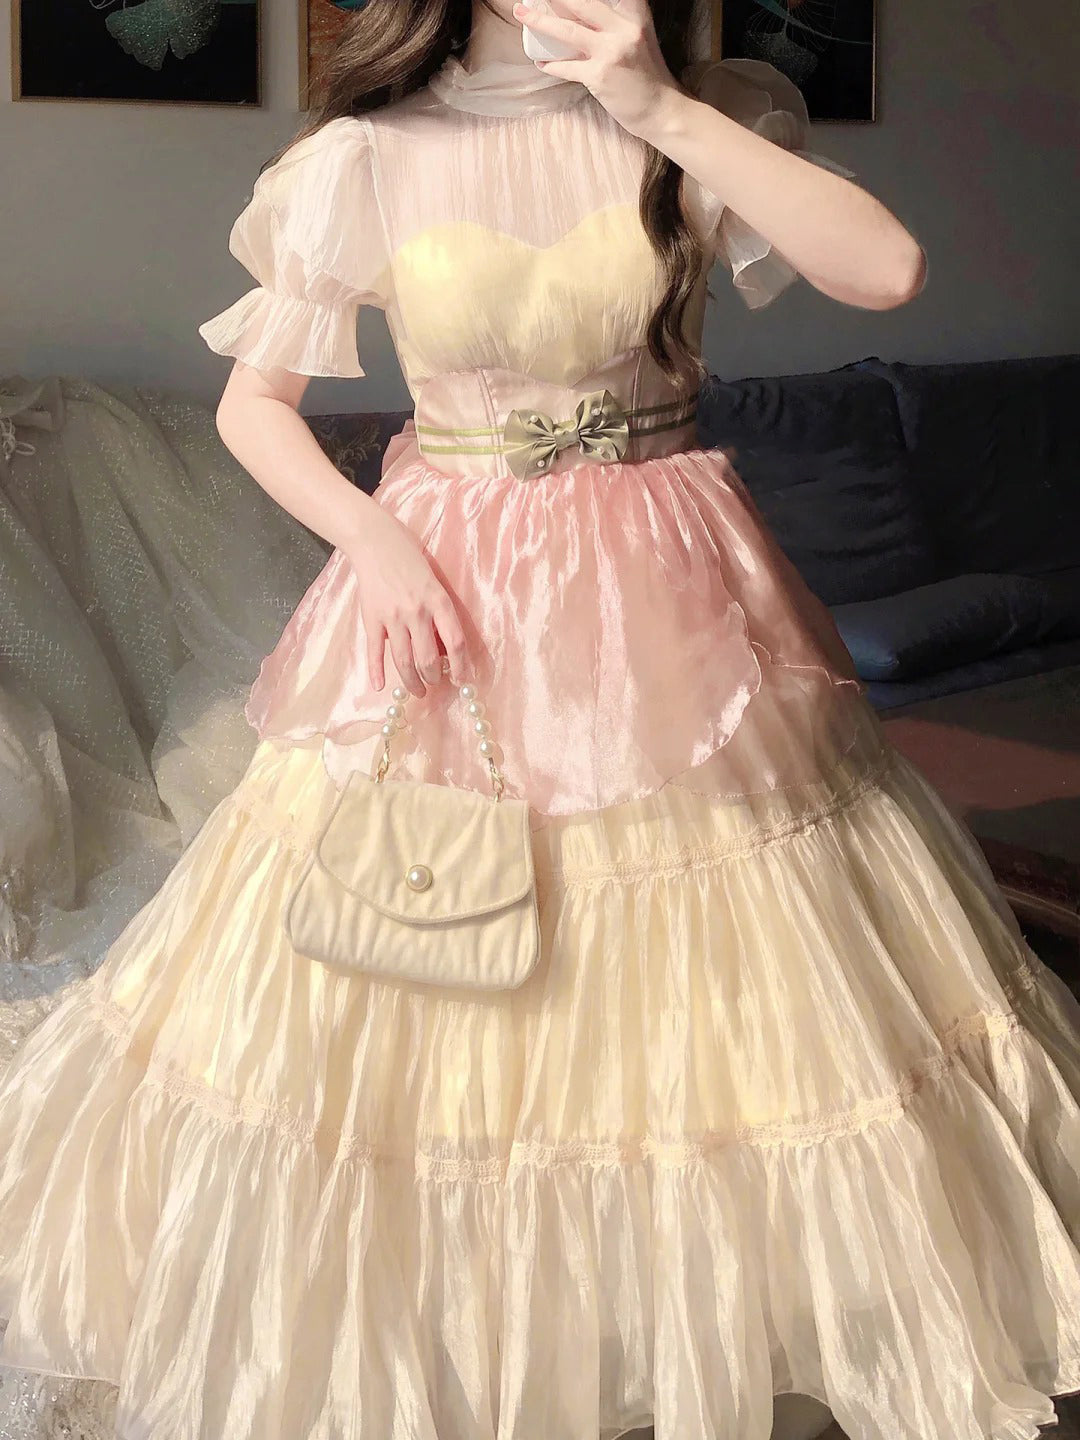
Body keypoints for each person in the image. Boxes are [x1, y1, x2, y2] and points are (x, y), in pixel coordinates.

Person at [3, 2, 1080, 1438]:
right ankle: (472, 1324)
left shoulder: (698, 118)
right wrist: (374, 543)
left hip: (669, 593)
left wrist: (660, 107)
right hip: (451, 579)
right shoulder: (365, 154)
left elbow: (888, 270)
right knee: (419, 935)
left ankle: (695, 1308)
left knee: (731, 950)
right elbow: (254, 408)